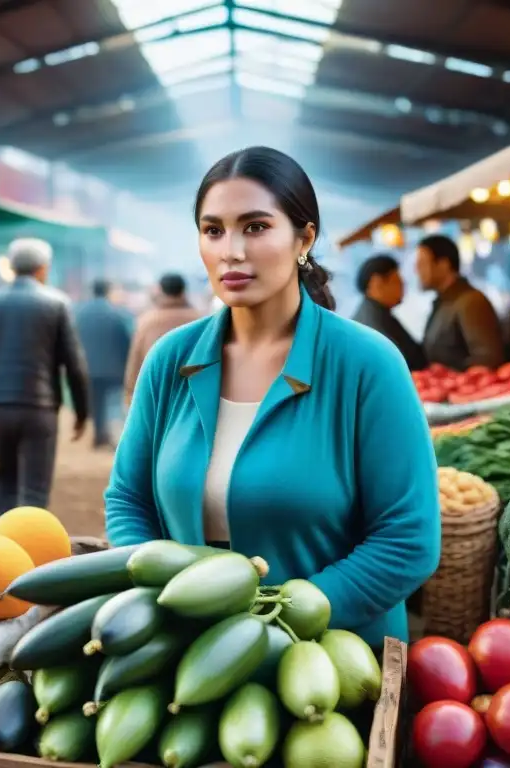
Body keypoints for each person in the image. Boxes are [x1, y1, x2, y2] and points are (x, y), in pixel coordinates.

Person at [104, 147, 440, 648]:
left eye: (255, 227)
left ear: (304, 238)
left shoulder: (368, 364)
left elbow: (407, 538)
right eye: (213, 229)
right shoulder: (170, 360)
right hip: (187, 655)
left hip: (331, 664)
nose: (230, 251)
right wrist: (162, 599)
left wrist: (277, 621)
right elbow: (128, 500)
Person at [0, 237, 90, 517]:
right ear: (42, 268)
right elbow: (74, 365)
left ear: (12, 268)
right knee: (35, 489)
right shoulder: (57, 303)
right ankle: (30, 549)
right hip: (39, 409)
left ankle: (4, 547)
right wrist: (82, 412)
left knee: (5, 478)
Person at [416, 234, 506, 371]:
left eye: (422, 263)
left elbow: (487, 359)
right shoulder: (444, 301)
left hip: (467, 389)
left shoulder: (471, 301)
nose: (417, 270)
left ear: (443, 264)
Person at [124, 272, 204, 404]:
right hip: (191, 395)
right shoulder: (199, 320)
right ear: (184, 291)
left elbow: (135, 361)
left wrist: (130, 395)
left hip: (155, 393)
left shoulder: (147, 322)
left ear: (160, 291)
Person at [74, 279, 133, 448]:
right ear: (107, 291)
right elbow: (126, 341)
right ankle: (113, 436)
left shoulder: (80, 313)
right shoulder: (117, 313)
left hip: (88, 367)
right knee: (113, 403)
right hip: (114, 368)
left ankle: (99, 435)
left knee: (96, 402)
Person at [351, 254, 426, 371]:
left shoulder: (377, 312)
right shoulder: (373, 321)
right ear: (377, 283)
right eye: (397, 280)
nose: (403, 284)